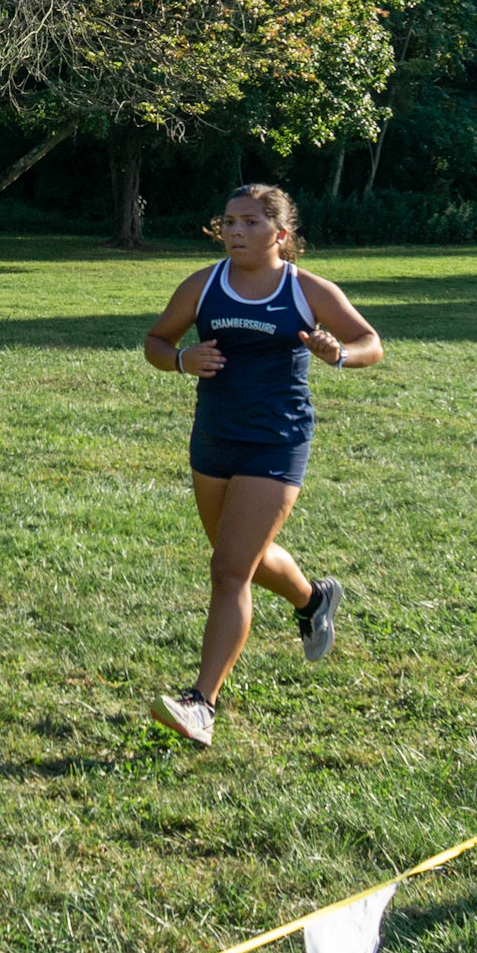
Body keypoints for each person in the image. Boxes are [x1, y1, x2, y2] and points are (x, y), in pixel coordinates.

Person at [142, 183, 383, 746]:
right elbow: (156, 341)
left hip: (276, 441)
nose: (235, 231)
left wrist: (339, 353)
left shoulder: (306, 289)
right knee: (240, 559)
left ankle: (201, 704)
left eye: (250, 223)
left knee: (228, 570)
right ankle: (313, 599)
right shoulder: (203, 285)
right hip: (214, 437)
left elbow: (370, 341)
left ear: (280, 234)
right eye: (229, 222)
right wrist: (181, 360)